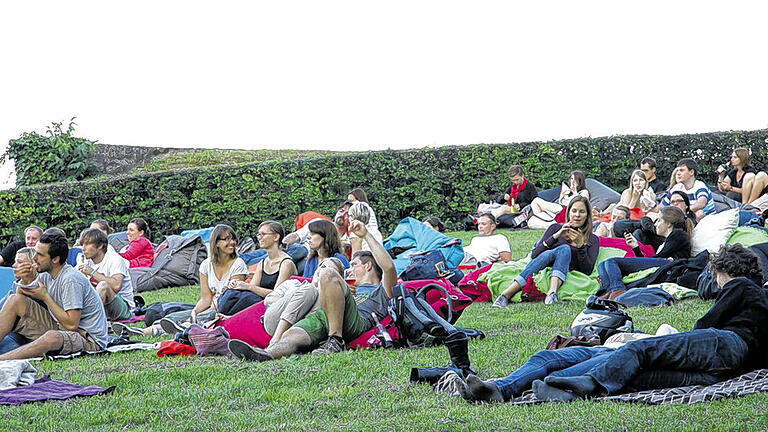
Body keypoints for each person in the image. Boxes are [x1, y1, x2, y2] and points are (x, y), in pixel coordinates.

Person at [536, 243, 768, 401]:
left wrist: (679, 342)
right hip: (730, 369)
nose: (716, 284)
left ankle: (590, 380)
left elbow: (704, 325)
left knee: (640, 349)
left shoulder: (741, 285)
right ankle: (573, 394)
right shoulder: (759, 298)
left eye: (716, 276)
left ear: (726, 269)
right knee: (645, 377)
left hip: (726, 345)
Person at [227, 219, 397, 360]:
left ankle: (335, 340)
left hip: (356, 320)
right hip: (325, 315)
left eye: (354, 265)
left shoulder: (381, 290)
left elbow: (388, 267)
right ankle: (267, 353)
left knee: (328, 274)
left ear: (368, 266)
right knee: (293, 334)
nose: (349, 269)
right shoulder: (347, 284)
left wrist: (365, 234)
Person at [114, 224, 248, 337]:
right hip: (211, 306)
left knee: (198, 318)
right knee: (174, 318)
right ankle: (142, 332)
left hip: (226, 310)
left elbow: (230, 299)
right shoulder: (206, 265)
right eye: (227, 239)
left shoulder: (238, 264)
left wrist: (200, 314)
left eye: (233, 239)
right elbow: (205, 299)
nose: (232, 243)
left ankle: (184, 327)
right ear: (216, 243)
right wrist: (195, 311)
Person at [0, 232, 108, 360]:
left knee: (52, 337)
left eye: (40, 254)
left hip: (87, 338)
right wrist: (25, 279)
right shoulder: (46, 274)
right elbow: (20, 299)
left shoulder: (70, 279)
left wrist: (45, 296)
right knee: (14, 300)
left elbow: (72, 325)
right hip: (60, 326)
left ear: (55, 259)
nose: (34, 258)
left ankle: (3, 359)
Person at [493, 195, 598, 306]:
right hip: (544, 261)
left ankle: (552, 292)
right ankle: (505, 294)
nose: (577, 215)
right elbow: (535, 255)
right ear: (568, 213)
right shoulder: (555, 228)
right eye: (574, 211)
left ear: (587, 215)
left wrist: (580, 245)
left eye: (582, 212)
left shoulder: (592, 239)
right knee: (559, 249)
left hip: (565, 268)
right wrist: (556, 236)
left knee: (565, 249)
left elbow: (587, 270)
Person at [596, 206, 693, 295]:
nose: (655, 224)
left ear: (668, 224)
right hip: (663, 264)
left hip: (670, 265)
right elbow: (651, 262)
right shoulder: (668, 239)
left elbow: (658, 258)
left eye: (659, 221)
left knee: (611, 261)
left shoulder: (678, 235)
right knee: (602, 264)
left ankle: (618, 290)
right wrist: (635, 247)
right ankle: (608, 292)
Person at [262, 257, 346, 346]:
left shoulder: (332, 300)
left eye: (330, 270)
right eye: (322, 266)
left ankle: (289, 345)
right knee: (310, 290)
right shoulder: (293, 283)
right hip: (275, 320)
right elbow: (268, 300)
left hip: (301, 330)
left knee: (319, 297)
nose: (323, 271)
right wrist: (295, 299)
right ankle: (275, 340)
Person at [77, 228, 135, 321]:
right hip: (99, 306)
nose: (83, 248)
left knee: (103, 286)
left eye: (87, 244)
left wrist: (92, 273)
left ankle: (93, 321)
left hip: (123, 308)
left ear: (100, 245)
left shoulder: (114, 259)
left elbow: (116, 286)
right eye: (82, 244)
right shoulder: (85, 261)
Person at [229, 221, 296, 298]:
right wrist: (237, 284)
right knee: (232, 293)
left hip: (274, 305)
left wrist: (248, 286)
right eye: (258, 234)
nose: (259, 237)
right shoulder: (262, 263)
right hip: (259, 303)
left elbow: (277, 295)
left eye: (263, 234)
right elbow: (251, 290)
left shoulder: (286, 264)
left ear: (276, 237)